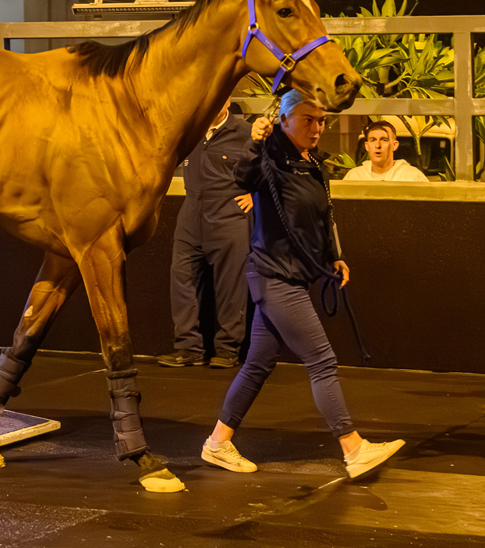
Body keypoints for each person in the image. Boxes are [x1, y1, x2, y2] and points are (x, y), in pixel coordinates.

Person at [199, 89, 405, 479]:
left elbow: (321, 215)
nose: (317, 128)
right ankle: (353, 448)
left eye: (322, 121)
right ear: (285, 120)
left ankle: (217, 443)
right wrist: (254, 141)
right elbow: (242, 177)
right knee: (322, 361)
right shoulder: (270, 156)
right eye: (308, 120)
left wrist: (334, 256)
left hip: (292, 274)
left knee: (258, 364)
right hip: (274, 277)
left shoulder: (311, 163)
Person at [158, 100, 253, 370]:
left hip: (228, 216)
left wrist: (256, 196)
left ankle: (227, 350)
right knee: (182, 281)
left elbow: (274, 170)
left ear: (229, 102)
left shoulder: (245, 132)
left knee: (231, 288)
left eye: (220, 98)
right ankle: (188, 348)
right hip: (191, 215)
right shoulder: (190, 130)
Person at [342, 120, 429, 182]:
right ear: (367, 146)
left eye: (384, 140)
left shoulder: (412, 176)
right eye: (373, 140)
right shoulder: (354, 177)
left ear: (394, 145)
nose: (378, 145)